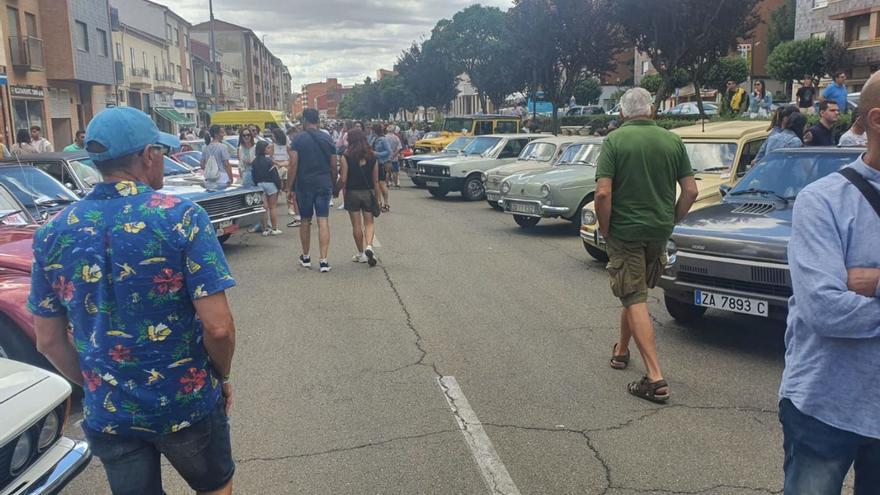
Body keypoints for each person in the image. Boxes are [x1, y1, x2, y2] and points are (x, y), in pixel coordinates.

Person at [28, 106, 236, 495]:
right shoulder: (182, 218)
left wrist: (95, 383)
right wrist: (220, 375)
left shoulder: (53, 232)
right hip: (184, 401)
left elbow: (48, 340)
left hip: (110, 412)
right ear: (148, 155)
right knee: (214, 488)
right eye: (161, 151)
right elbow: (219, 327)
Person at [778, 69, 880, 494]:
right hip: (824, 406)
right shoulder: (822, 201)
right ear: (877, 119)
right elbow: (824, 309)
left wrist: (872, 281)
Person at [594, 87, 698, 404]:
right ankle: (621, 351)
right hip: (658, 231)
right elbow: (691, 191)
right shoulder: (672, 140)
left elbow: (602, 194)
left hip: (626, 232)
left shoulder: (614, 141)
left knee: (633, 296)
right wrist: (672, 220)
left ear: (623, 114)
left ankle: (655, 377)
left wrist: (605, 228)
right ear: (652, 111)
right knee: (634, 291)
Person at [288, 108, 337, 273]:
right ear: (318, 120)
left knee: (305, 220)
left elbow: (293, 163)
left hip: (304, 185)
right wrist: (334, 183)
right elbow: (333, 163)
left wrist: (289, 187)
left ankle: (306, 256)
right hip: (323, 183)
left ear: (304, 120)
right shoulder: (327, 138)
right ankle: (324, 260)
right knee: (323, 221)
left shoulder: (298, 139)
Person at [340, 129, 381, 267]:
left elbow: (344, 178)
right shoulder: (373, 156)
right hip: (368, 192)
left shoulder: (346, 156)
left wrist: (336, 189)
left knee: (356, 225)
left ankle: (361, 253)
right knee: (369, 222)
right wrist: (378, 198)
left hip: (352, 192)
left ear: (350, 140)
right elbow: (376, 181)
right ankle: (369, 246)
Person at [252, 141, 282, 236]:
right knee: (272, 207)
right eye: (268, 148)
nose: (269, 150)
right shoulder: (269, 161)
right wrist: (279, 187)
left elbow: (254, 176)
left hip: (259, 185)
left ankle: (265, 229)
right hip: (271, 184)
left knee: (264, 208)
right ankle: (274, 228)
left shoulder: (254, 162)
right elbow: (275, 175)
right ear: (263, 149)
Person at [369, 123, 391, 212]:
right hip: (374, 163)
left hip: (381, 163)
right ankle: (378, 202)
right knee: (375, 184)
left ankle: (386, 203)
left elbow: (388, 151)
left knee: (381, 184)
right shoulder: (374, 139)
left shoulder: (383, 140)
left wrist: (376, 154)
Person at [270, 127, 291, 191]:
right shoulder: (272, 146)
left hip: (285, 166)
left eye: (273, 136)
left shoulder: (287, 147)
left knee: (285, 171)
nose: (272, 138)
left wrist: (284, 164)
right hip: (276, 167)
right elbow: (271, 158)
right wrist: (278, 163)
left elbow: (290, 159)